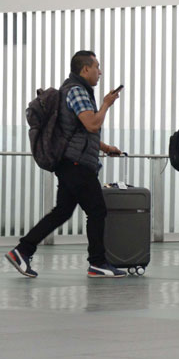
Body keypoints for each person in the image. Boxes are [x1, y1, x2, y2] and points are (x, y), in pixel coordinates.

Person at [6, 51, 126, 278]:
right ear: (85, 69)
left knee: (62, 211)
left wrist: (106, 147)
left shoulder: (73, 90)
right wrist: (106, 104)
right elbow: (91, 124)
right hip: (76, 163)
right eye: (97, 67)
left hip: (71, 162)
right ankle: (97, 263)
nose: (100, 72)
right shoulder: (77, 91)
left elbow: (78, 131)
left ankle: (22, 250)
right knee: (97, 210)